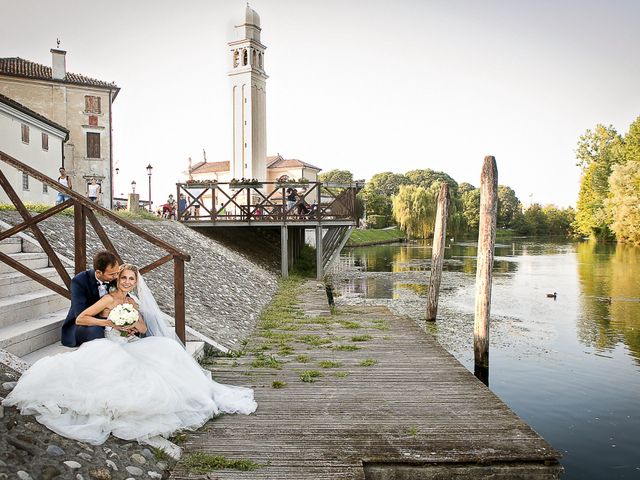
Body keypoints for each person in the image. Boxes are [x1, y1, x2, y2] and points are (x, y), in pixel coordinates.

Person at [3, 264, 257, 450]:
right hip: (112, 346)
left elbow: (145, 329)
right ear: (117, 280)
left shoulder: (134, 302)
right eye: (123, 278)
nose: (126, 282)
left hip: (133, 343)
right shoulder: (107, 299)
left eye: (131, 279)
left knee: (168, 351)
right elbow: (81, 318)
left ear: (136, 282)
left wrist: (134, 325)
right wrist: (110, 321)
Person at [60, 251, 120, 347]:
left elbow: (125, 301)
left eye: (117, 273)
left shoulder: (114, 279)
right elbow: (80, 316)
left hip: (109, 321)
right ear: (98, 272)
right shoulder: (79, 281)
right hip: (82, 324)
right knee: (96, 331)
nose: (116, 277)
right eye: (112, 274)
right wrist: (107, 323)